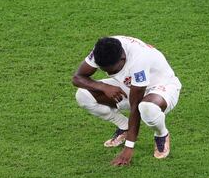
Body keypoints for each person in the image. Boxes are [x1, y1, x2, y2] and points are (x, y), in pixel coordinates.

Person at [72, 36, 181, 166]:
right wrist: (103, 87)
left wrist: (129, 148)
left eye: (111, 70)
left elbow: (135, 106)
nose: (107, 72)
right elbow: (77, 78)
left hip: (161, 87)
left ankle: (161, 134)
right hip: (130, 84)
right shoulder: (103, 48)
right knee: (83, 95)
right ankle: (124, 127)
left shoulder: (139, 60)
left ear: (122, 58)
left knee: (146, 107)